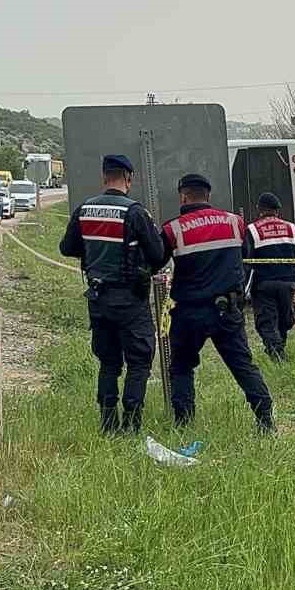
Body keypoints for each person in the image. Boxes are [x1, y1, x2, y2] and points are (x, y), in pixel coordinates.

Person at [59, 154, 166, 433]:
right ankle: (131, 423)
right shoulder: (135, 213)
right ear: (128, 179)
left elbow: (67, 248)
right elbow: (157, 255)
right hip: (131, 300)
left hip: (98, 299)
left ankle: (108, 422)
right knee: (139, 361)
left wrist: (93, 251)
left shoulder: (85, 209)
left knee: (108, 362)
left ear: (104, 177)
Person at [161, 174, 275, 432]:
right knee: (243, 365)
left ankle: (183, 424)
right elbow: (245, 255)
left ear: (183, 196)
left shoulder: (173, 228)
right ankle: (265, 419)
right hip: (227, 309)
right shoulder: (235, 222)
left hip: (189, 312)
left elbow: (157, 259)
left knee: (181, 366)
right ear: (208, 195)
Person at [242, 192, 295, 362]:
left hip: (264, 284)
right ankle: (279, 347)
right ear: (277, 210)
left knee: (267, 320)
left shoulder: (252, 230)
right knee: (284, 318)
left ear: (259, 210)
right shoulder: (291, 227)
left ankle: (277, 354)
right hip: (288, 281)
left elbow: (246, 257)